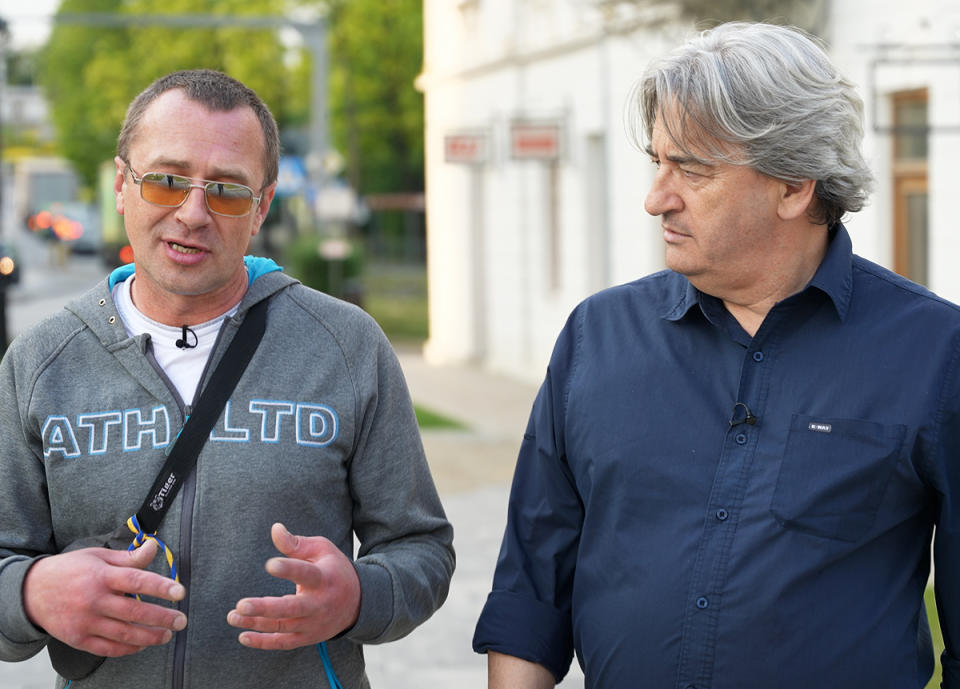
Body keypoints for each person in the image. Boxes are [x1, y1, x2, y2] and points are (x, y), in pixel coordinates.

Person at [473, 21, 960, 688]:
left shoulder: (935, 353)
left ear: (795, 185)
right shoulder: (596, 336)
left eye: (692, 169)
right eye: (658, 162)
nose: (656, 199)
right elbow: (531, 593)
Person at [0, 69, 454, 689]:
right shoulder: (39, 362)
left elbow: (422, 549)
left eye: (227, 191)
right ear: (120, 185)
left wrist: (358, 597)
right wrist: (28, 594)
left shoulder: (347, 347)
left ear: (262, 206)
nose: (192, 213)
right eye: (165, 181)